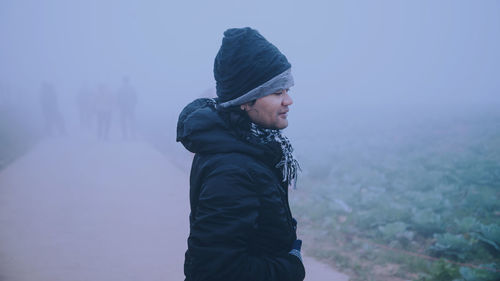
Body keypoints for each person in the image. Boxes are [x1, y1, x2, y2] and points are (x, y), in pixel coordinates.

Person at [176, 27, 305, 281]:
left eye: (287, 90)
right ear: (246, 101)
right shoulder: (232, 169)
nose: (288, 100)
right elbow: (213, 270)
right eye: (277, 92)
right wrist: (290, 268)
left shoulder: (249, 146)